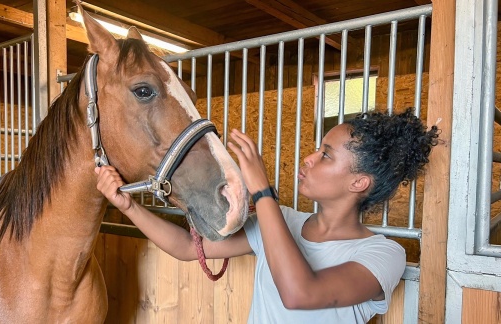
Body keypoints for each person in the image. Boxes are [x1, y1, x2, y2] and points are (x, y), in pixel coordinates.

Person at [95, 108, 439, 324]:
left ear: (359, 182)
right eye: (317, 149)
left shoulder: (382, 254)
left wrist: (263, 192)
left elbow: (300, 293)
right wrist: (128, 207)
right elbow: (187, 247)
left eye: (326, 156)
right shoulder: (283, 221)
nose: (308, 158)